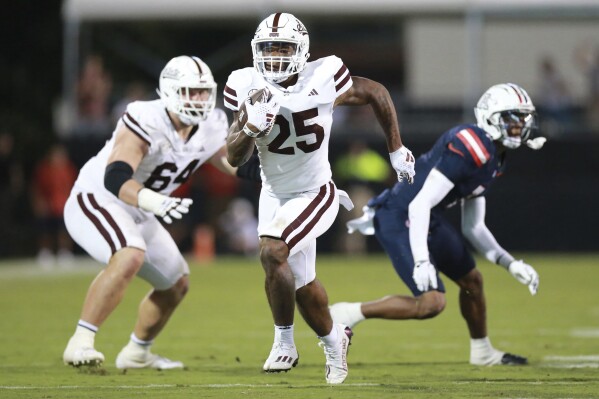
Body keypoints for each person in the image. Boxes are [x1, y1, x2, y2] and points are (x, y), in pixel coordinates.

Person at [223, 12, 415, 384]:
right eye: (267, 49)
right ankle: (334, 338)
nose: (274, 57)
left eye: (283, 48)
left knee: (272, 251)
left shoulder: (324, 75)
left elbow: (375, 91)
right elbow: (233, 156)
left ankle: (284, 342)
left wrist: (396, 149)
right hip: (274, 194)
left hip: (316, 192)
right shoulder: (244, 83)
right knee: (302, 287)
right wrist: (248, 128)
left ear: (302, 50)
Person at [62, 55, 259, 369]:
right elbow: (115, 177)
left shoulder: (211, 123)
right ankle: (81, 342)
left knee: (176, 283)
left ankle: (137, 353)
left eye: (204, 91)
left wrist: (277, 174)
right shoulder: (146, 116)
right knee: (129, 254)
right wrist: (152, 202)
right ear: (169, 91)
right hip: (99, 198)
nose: (199, 99)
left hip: (140, 209)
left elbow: (230, 163)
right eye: (191, 92)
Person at [331, 83, 546, 366]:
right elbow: (419, 204)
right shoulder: (471, 146)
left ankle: (482, 352)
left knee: (473, 281)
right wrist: (421, 261)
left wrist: (510, 263)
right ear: (490, 117)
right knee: (432, 303)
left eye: (522, 118)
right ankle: (347, 313)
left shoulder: (495, 157)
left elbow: (474, 227)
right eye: (512, 118)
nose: (519, 125)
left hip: (423, 217)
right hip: (398, 215)